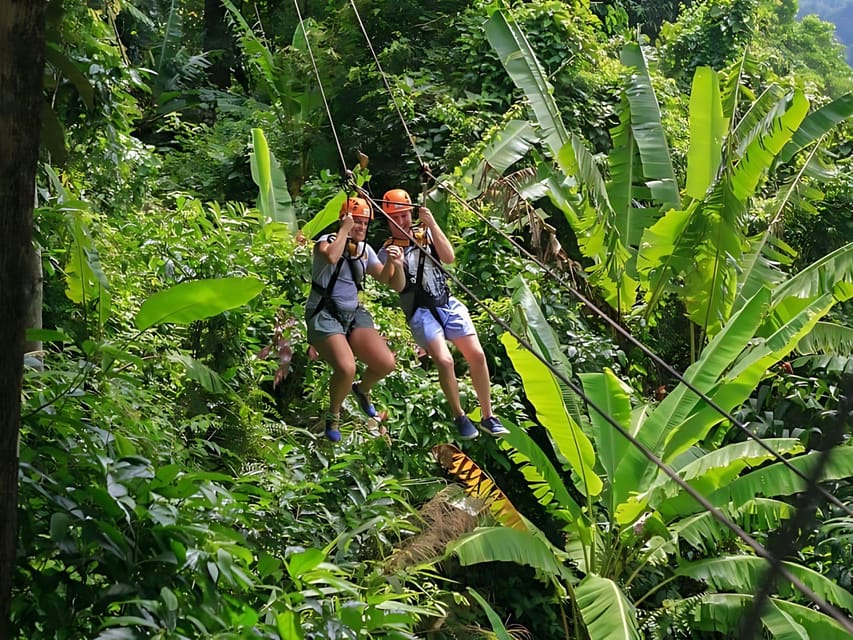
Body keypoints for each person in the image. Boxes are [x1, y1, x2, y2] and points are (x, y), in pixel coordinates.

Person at [377, 188, 509, 440]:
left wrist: (433, 224)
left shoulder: (424, 233)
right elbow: (399, 286)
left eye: (405, 216)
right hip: (420, 312)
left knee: (477, 355)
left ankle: (488, 416)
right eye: (396, 218)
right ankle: (459, 416)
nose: (402, 222)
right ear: (388, 220)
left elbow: (448, 257)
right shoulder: (388, 249)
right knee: (445, 361)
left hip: (446, 302)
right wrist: (395, 263)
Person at [305, 196, 405, 441]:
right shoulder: (325, 242)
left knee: (385, 363)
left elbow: (386, 280)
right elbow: (331, 257)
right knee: (347, 367)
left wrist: (394, 263)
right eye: (357, 222)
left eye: (364, 223)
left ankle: (362, 390)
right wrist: (344, 230)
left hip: (353, 316)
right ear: (345, 220)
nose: (361, 227)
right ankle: (334, 415)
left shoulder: (364, 250)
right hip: (324, 314)